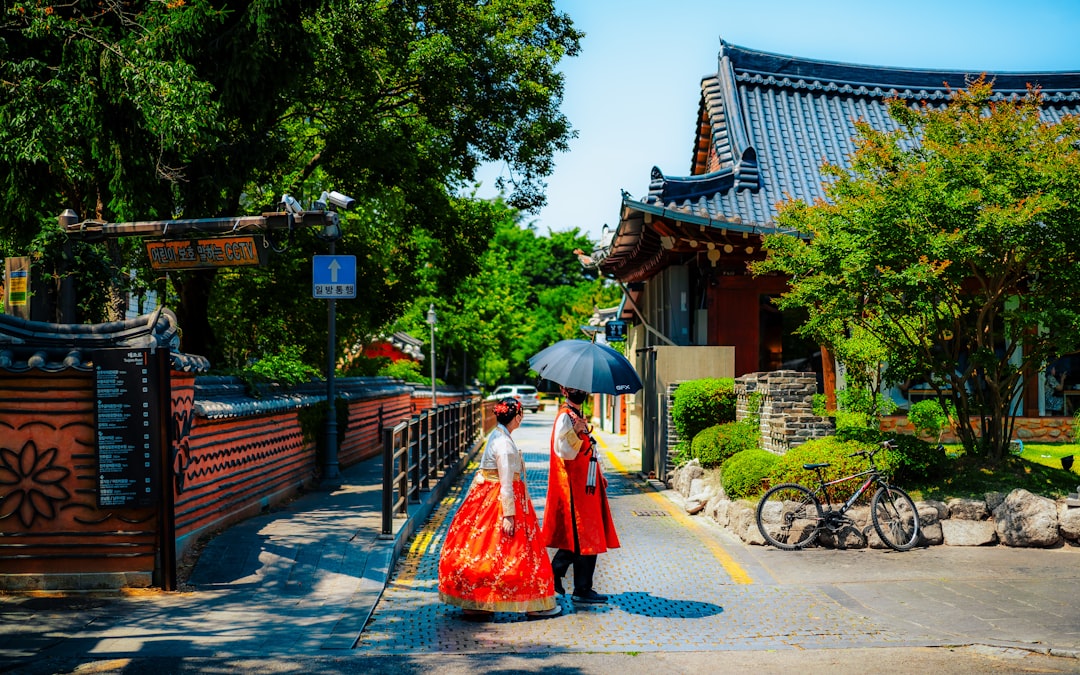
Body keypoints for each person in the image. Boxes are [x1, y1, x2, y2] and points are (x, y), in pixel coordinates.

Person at [438, 397, 561, 620]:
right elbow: (505, 482)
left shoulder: (497, 435)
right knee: (519, 553)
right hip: (501, 498)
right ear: (517, 417)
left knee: (482, 551)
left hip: (486, 497)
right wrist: (509, 515)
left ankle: (476, 602)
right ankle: (532, 603)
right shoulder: (503, 443)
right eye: (520, 414)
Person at [541, 385, 620, 604]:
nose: (580, 391)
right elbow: (563, 452)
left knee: (588, 534)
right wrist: (576, 432)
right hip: (575, 487)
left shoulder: (576, 416)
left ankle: (578, 585)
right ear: (563, 391)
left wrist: (599, 471)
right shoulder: (565, 418)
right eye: (574, 388)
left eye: (581, 388)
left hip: (587, 483)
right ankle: (557, 575)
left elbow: (590, 448)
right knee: (580, 534)